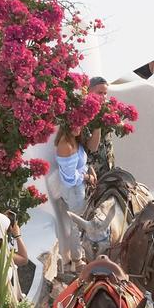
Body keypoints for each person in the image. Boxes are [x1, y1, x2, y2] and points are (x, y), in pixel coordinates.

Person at [47, 124, 94, 274]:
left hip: (79, 187)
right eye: (76, 122)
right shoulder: (65, 145)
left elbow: (80, 164)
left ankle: (79, 254)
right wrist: (87, 177)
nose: (79, 126)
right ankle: (77, 259)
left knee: (80, 222)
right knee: (77, 224)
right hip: (73, 190)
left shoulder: (75, 139)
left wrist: (89, 170)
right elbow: (68, 179)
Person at [81, 76, 114, 179]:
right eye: (100, 93)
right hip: (92, 173)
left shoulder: (106, 111)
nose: (104, 97)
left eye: (105, 93)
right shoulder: (83, 115)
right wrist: (98, 123)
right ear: (88, 92)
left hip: (108, 169)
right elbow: (91, 148)